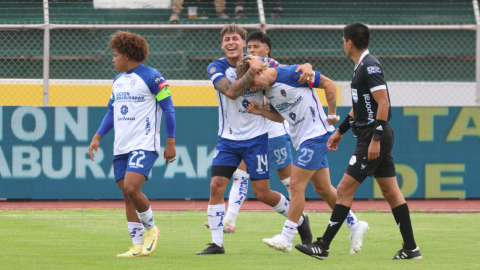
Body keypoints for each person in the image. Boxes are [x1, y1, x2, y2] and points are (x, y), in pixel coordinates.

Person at [294, 23, 422, 260]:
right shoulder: (361, 66)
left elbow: (383, 104)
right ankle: (411, 248)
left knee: (343, 189)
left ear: (349, 42)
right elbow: (360, 107)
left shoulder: (370, 65)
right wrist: (340, 130)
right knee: (391, 191)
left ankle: (323, 245)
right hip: (370, 134)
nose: (342, 44)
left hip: (374, 135)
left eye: (343, 40)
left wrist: (375, 139)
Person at [196, 23, 314, 255]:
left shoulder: (266, 63)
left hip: (256, 138)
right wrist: (252, 70)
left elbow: (292, 70)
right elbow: (230, 91)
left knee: (262, 193)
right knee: (216, 186)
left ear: (242, 43)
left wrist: (307, 66)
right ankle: (217, 244)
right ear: (222, 44)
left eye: (235, 39)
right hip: (228, 139)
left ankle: (300, 219)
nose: (231, 42)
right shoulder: (216, 67)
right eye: (226, 39)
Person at [237, 55, 368, 254]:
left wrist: (332, 114)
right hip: (302, 140)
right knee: (323, 188)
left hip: (316, 135)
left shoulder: (292, 73)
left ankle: (287, 237)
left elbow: (329, 84)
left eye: (251, 83)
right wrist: (262, 112)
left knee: (296, 184)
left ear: (257, 71)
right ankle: (355, 224)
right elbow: (280, 116)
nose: (252, 88)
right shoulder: (267, 91)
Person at [88, 31, 176, 258]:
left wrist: (170, 142)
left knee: (131, 187)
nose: (113, 59)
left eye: (116, 55)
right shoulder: (117, 81)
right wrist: (98, 136)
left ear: (127, 55)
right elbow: (111, 111)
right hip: (121, 146)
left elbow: (169, 109)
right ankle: (138, 245)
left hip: (144, 143)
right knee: (126, 194)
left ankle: (151, 230)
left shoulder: (153, 77)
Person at [204, 31, 293, 235]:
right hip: (252, 131)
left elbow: (288, 81)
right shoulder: (236, 66)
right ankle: (229, 220)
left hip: (274, 129)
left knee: (289, 181)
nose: (252, 50)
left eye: (256, 46)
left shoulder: (271, 64)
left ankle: (297, 218)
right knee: (240, 174)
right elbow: (233, 92)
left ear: (267, 50)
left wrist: (303, 69)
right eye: (250, 47)